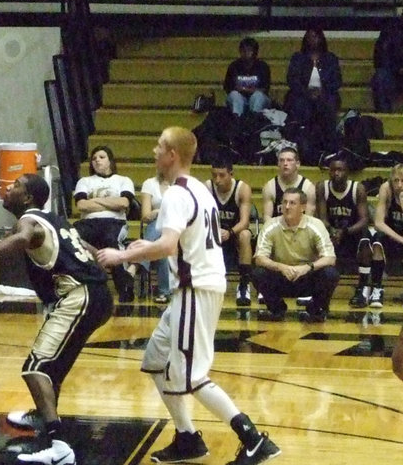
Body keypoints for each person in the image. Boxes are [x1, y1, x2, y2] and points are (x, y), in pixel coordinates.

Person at [96, 127, 280, 465]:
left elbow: (167, 245)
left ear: (172, 155)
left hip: (196, 288)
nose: (153, 151)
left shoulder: (177, 195)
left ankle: (254, 440)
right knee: (155, 360)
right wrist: (145, 246)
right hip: (193, 288)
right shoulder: (196, 188)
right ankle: (187, 437)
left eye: (159, 147)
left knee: (191, 376)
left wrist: (123, 256)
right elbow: (178, 241)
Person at [0, 172, 113, 465]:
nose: (7, 189)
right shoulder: (57, 219)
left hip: (80, 295)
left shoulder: (28, 220)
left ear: (27, 198)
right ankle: (41, 415)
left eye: (16, 187)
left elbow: (23, 238)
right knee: (54, 367)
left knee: (36, 368)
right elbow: (87, 248)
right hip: (99, 295)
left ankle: (59, 446)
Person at [251, 187, 339, 322]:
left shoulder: (316, 225)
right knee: (258, 273)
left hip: (307, 276)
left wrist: (307, 267)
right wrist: (281, 267)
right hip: (281, 276)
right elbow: (259, 258)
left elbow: (330, 258)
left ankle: (316, 309)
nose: (287, 207)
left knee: (330, 273)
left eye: (292, 203)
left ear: (303, 207)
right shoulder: (270, 225)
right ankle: (276, 309)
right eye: (284, 202)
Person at [72, 146, 136, 302]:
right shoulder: (84, 181)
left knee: (111, 242)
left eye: (101, 157)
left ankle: (124, 287)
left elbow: (124, 202)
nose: (97, 161)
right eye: (94, 159)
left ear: (110, 161)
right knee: (71, 238)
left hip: (114, 222)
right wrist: (110, 203)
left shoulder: (123, 180)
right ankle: (77, 287)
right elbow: (81, 205)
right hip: (88, 222)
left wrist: (94, 201)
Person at [315, 153, 370, 301]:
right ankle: (315, 287)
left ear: (347, 172)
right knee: (314, 235)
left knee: (366, 241)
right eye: (333, 170)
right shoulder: (322, 187)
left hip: (352, 233)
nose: (336, 173)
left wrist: (344, 231)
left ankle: (363, 286)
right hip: (331, 233)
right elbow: (322, 218)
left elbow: (364, 220)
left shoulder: (357, 188)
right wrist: (332, 231)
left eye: (340, 170)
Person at [283, 28, 342, 157]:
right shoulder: (297, 58)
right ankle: (302, 135)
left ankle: (328, 140)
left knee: (329, 102)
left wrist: (322, 92)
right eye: (309, 37)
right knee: (299, 103)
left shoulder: (330, 58)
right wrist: (307, 93)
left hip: (325, 94)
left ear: (321, 39)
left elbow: (336, 81)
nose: (312, 40)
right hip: (302, 94)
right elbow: (292, 80)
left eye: (315, 36)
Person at [207, 157, 255, 307]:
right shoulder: (207, 187)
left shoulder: (242, 188)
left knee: (246, 234)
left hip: (234, 234)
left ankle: (243, 285)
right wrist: (214, 230)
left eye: (222, 175)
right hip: (214, 233)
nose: (217, 179)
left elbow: (244, 222)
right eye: (214, 175)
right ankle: (205, 283)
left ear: (231, 174)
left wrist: (229, 232)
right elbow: (203, 218)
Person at [370, 163, 403, 308]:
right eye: (396, 180)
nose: (399, 185)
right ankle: (377, 288)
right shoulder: (386, 188)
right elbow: (378, 222)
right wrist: (400, 239)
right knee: (377, 242)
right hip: (392, 235)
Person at [138, 173, 171, 303]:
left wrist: (158, 211)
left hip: (177, 227)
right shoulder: (149, 183)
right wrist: (160, 213)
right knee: (161, 245)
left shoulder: (180, 184)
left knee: (161, 230)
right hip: (155, 226)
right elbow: (146, 216)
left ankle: (138, 262)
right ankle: (164, 292)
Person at [261, 145, 315, 221]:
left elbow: (309, 220)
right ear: (278, 164)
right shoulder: (270, 187)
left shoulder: (308, 188)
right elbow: (267, 218)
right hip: (277, 230)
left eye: (289, 160)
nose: (285, 163)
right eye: (282, 160)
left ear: (298, 164)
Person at [223, 37, 271, 117]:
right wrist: (248, 90)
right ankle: (237, 120)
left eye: (249, 50)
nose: (245, 53)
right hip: (240, 98)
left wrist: (245, 89)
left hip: (257, 98)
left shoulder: (263, 66)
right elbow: (228, 88)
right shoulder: (234, 66)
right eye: (243, 50)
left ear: (255, 52)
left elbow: (264, 89)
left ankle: (254, 119)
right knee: (235, 95)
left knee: (258, 96)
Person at [371, 17, 403, 112]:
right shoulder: (391, 27)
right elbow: (380, 57)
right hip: (395, 74)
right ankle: (384, 117)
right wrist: (398, 68)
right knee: (380, 77)